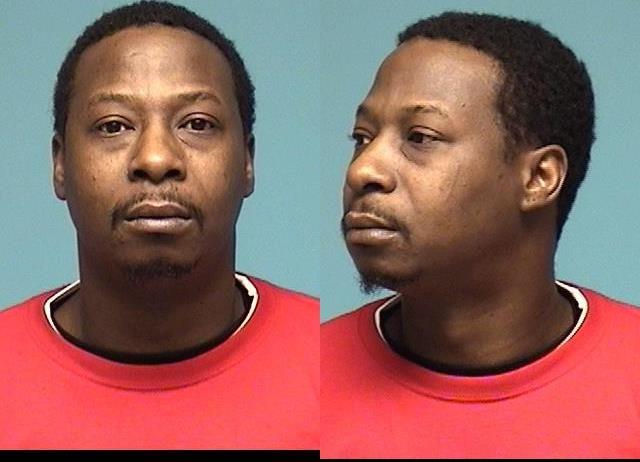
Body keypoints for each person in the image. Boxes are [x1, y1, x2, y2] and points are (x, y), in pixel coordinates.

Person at [0, 0, 318, 450]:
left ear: (248, 161)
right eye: (114, 126)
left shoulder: (326, 358)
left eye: (197, 124)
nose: (155, 158)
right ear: (60, 164)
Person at [321, 11, 640, 458]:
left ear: (539, 178)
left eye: (420, 137)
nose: (363, 170)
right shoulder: (300, 381)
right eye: (362, 137)